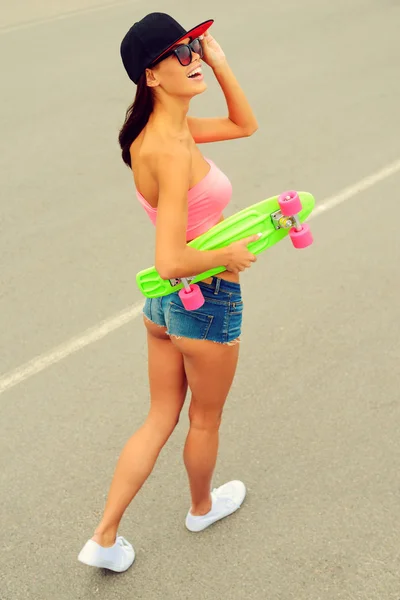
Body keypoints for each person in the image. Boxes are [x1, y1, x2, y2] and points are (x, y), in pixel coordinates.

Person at [78, 12, 260, 573]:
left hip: (164, 304)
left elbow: (243, 124)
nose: (195, 58)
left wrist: (220, 61)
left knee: (160, 416)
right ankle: (201, 507)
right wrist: (227, 256)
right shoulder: (171, 149)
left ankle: (104, 537)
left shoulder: (158, 134)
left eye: (196, 47)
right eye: (181, 54)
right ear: (151, 75)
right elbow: (172, 256)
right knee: (203, 420)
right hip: (204, 303)